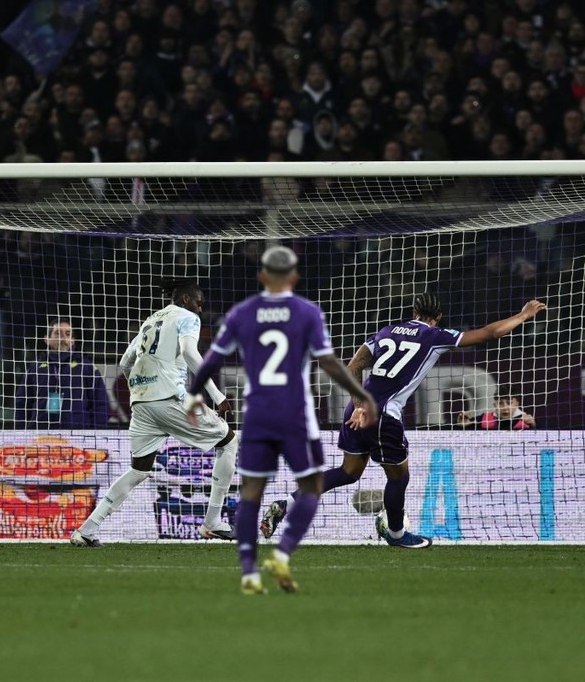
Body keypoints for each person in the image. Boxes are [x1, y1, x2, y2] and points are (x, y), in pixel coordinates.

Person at [262, 293, 546, 551]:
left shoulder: (386, 331)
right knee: (399, 477)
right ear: (438, 317)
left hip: (355, 411)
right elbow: (488, 334)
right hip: (382, 415)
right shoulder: (434, 335)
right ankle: (396, 533)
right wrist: (523, 315)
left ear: (413, 311)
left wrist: (359, 406)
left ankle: (286, 503)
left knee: (348, 472)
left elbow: (352, 368)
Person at [185, 246, 377, 595]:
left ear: (261, 276)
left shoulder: (243, 313)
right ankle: (282, 553)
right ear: (294, 277)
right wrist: (361, 395)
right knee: (311, 486)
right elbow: (329, 362)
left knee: (251, 491)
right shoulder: (307, 312)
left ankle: (248, 572)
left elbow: (212, 358)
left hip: (259, 412)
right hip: (295, 413)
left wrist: (195, 394)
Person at [71, 280, 240, 547]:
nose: (200, 308)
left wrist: (140, 389)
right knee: (229, 442)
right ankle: (212, 522)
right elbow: (190, 352)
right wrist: (217, 395)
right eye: (198, 302)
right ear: (185, 299)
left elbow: (126, 362)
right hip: (169, 397)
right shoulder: (187, 317)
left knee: (139, 470)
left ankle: (86, 530)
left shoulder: (150, 321)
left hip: (142, 404)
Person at [15, 319, 110, 429]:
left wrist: (92, 433)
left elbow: (102, 404)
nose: (63, 338)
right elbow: (21, 403)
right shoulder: (35, 368)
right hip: (41, 434)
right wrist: (22, 433)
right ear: (47, 339)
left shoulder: (86, 367)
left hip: (77, 435)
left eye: (68, 334)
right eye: (58, 333)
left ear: (72, 340)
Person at [457, 389, 536, 430]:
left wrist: (534, 425)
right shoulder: (484, 419)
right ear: (495, 405)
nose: (505, 407)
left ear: (516, 404)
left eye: (509, 403)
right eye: (500, 403)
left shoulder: (527, 421)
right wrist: (460, 425)